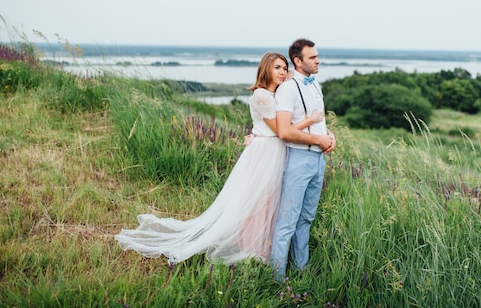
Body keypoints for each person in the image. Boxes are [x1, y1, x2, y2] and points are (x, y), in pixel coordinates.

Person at [115, 52, 323, 265]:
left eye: (284, 68)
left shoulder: (276, 94)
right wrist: (310, 120)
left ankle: (264, 247)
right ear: (266, 69)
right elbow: (281, 130)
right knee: (258, 201)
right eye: (276, 67)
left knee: (271, 201)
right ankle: (253, 249)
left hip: (274, 150)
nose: (281, 72)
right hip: (266, 153)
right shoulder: (261, 95)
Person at [270, 38, 336, 280]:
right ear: (298, 61)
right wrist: (318, 141)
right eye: (312, 57)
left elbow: (318, 123)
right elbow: (285, 131)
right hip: (299, 159)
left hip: (318, 161)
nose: (318, 60)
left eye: (317, 56)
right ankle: (275, 278)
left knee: (306, 218)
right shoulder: (288, 88)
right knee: (287, 221)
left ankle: (301, 272)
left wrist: (329, 136)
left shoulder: (315, 85)